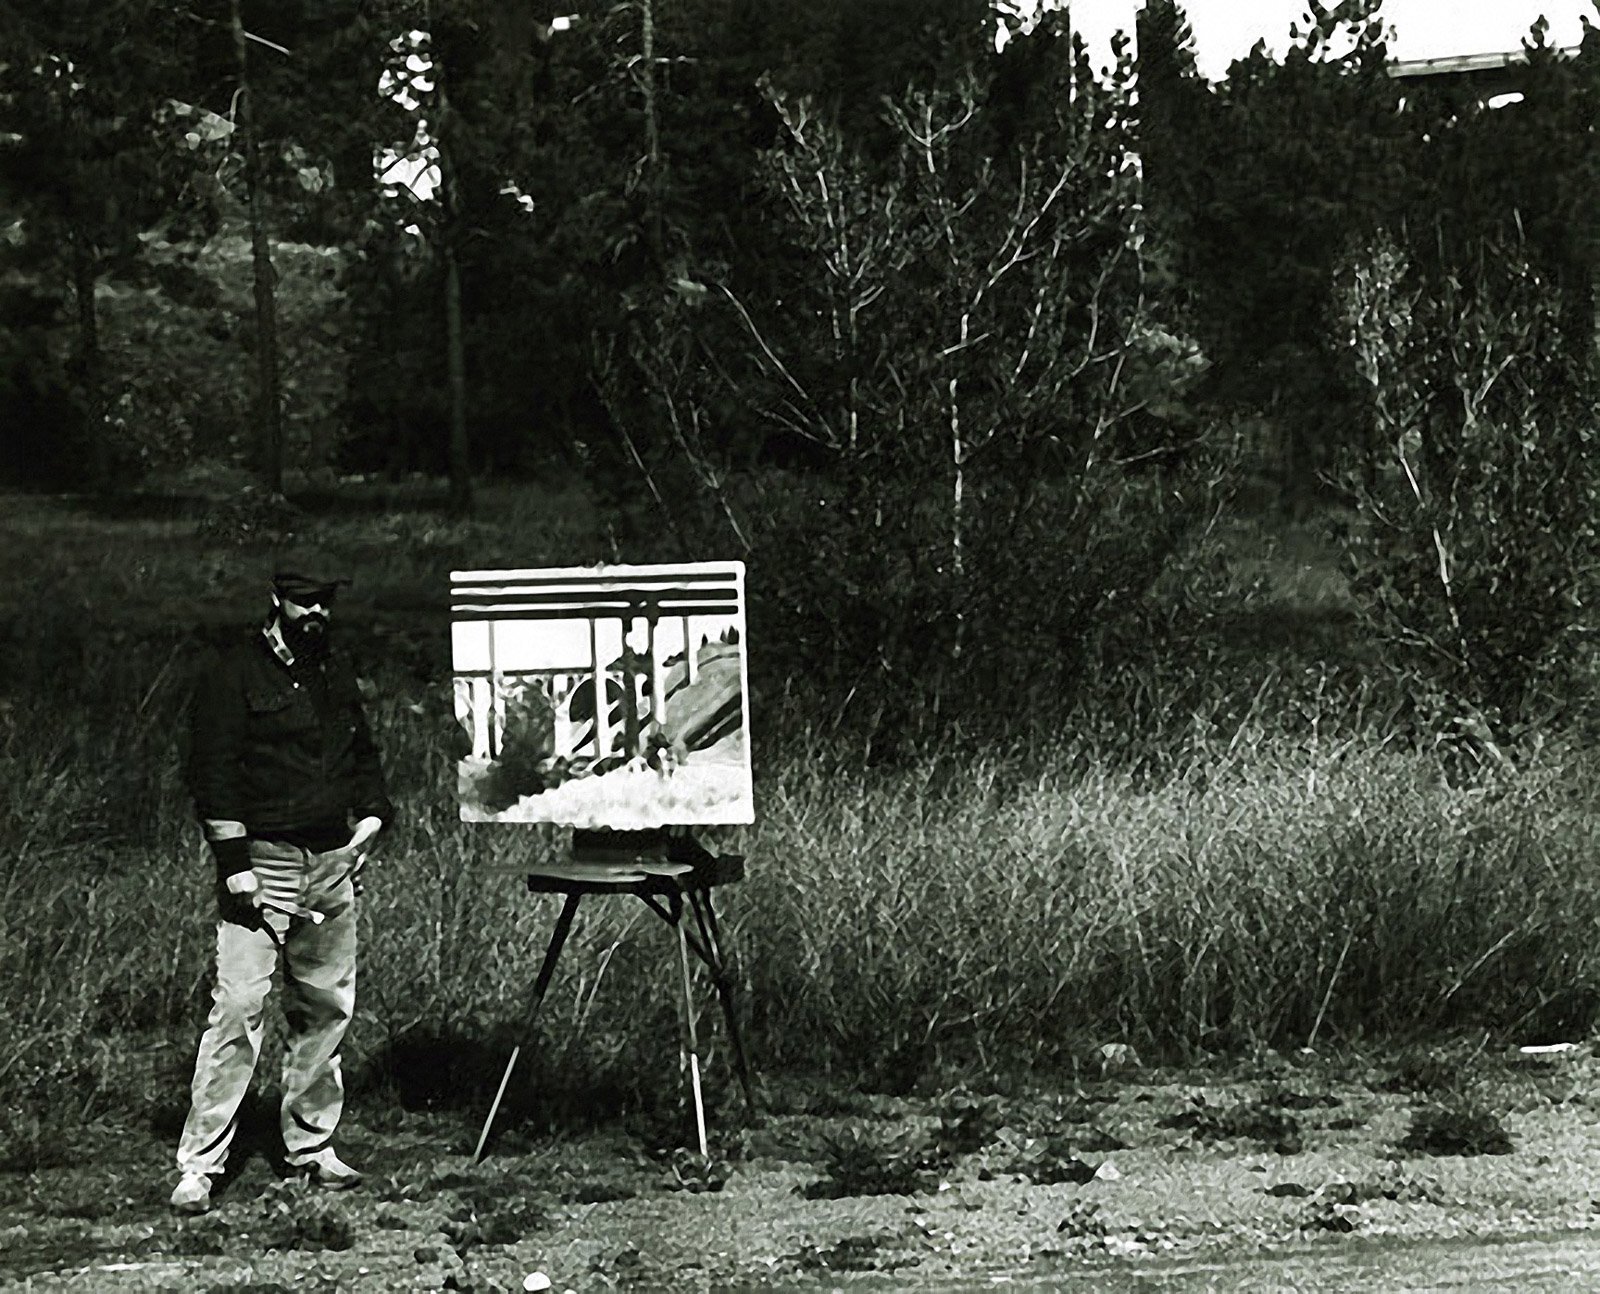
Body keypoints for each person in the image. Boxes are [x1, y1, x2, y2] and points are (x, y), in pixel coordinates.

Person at [171, 548, 393, 1215]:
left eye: (326, 600)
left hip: (331, 862)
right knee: (238, 1007)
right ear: (277, 601)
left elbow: (361, 754)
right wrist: (233, 864)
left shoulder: (335, 670)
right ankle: (200, 1164)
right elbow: (212, 772)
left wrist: (376, 815)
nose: (317, 612)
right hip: (261, 863)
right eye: (305, 601)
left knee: (326, 1007)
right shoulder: (231, 673)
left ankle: (312, 1146)